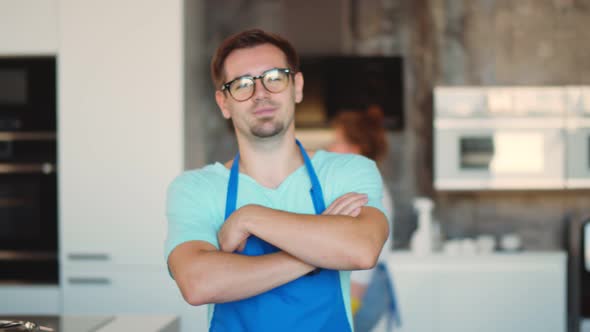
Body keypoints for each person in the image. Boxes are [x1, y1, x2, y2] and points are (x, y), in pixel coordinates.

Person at [164, 29, 389, 332]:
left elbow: (361, 250)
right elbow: (198, 283)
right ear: (224, 103)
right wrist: (318, 255)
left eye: (275, 77)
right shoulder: (195, 188)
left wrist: (249, 217)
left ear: (296, 86)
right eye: (242, 84)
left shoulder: (347, 171)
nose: (261, 93)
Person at [328, 107, 400, 332]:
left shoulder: (366, 190)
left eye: (337, 141)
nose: (330, 147)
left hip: (363, 289)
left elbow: (366, 254)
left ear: (354, 148)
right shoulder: (360, 184)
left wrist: (351, 304)